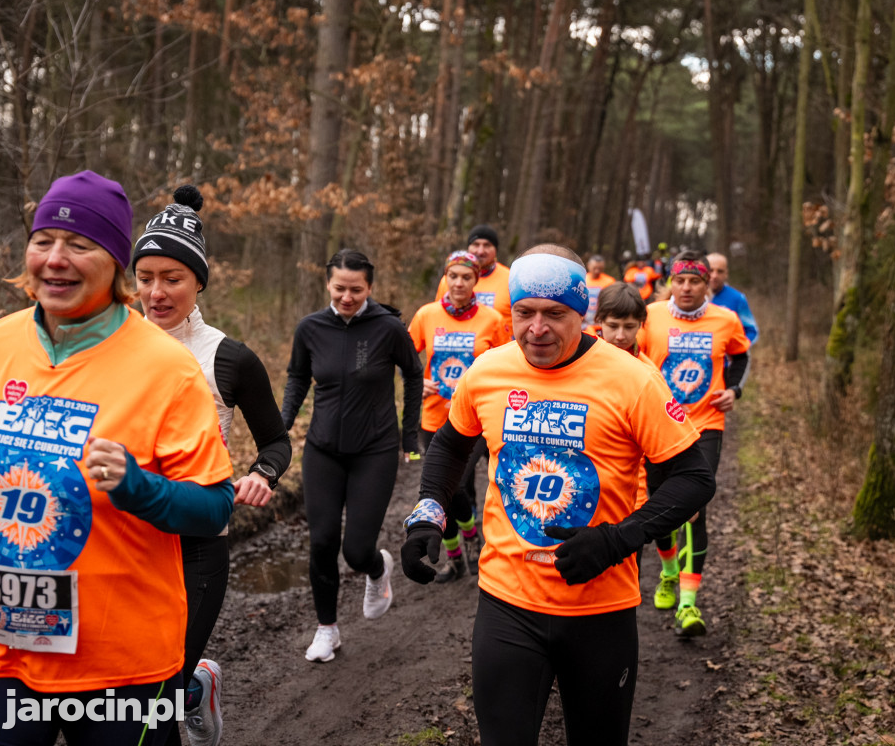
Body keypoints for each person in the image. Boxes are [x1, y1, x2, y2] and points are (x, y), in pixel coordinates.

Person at [0, 170, 234, 745]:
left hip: (123, 667)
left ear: (115, 265)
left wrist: (138, 486)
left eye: (80, 245)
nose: (56, 258)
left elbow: (212, 509)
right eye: (43, 241)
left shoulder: (167, 368)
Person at [401, 244, 715, 746]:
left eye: (555, 315)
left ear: (582, 314)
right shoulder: (486, 371)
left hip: (600, 610)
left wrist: (616, 541)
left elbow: (694, 479)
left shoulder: (634, 379)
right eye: (524, 313)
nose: (537, 329)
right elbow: (449, 445)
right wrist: (428, 512)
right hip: (506, 602)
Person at [132, 185, 292, 746]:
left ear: (198, 281)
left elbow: (276, 441)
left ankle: (184, 685)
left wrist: (260, 475)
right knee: (124, 696)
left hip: (199, 540)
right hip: (124, 545)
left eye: (172, 278)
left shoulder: (229, 357)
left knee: (150, 708)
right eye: (145, 277)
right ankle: (195, 687)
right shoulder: (105, 348)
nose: (156, 292)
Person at [281, 249, 423, 663]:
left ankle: (377, 569)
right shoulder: (310, 328)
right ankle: (327, 630)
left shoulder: (387, 328)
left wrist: (408, 434)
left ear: (370, 288)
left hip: (375, 449)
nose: (347, 296)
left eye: (356, 289)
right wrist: (281, 425)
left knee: (356, 550)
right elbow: (296, 377)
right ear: (328, 284)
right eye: (340, 288)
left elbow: (413, 374)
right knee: (322, 541)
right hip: (322, 449)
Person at [636, 250, 750, 638]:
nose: (686, 288)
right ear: (671, 282)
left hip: (705, 425)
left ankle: (688, 604)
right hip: (658, 426)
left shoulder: (726, 319)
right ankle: (668, 571)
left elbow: (740, 355)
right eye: (680, 280)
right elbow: (627, 358)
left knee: (695, 509)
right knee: (660, 508)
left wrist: (734, 390)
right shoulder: (650, 316)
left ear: (708, 284)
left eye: (695, 281)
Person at [408, 251, 503, 582]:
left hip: (476, 422)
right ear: (445, 278)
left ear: (477, 280)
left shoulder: (492, 320)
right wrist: (416, 381)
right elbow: (406, 359)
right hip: (433, 417)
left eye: (466, 277)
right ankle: (455, 557)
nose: (459, 283)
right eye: (453, 276)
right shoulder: (426, 315)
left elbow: (508, 365)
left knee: (458, 482)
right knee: (443, 491)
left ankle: (472, 537)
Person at [434, 225, 512, 338]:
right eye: (476, 244)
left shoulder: (510, 278)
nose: (480, 251)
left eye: (487, 245)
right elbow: (438, 315)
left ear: (496, 250)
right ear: (468, 248)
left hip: (500, 347)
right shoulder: (449, 280)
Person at [707, 252, 759, 345]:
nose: (714, 276)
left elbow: (752, 331)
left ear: (726, 274)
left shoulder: (737, 298)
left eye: (720, 271)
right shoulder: (690, 297)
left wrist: (738, 350)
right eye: (710, 270)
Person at [582, 254, 616, 329]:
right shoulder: (582, 280)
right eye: (595, 268)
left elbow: (613, 303)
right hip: (584, 323)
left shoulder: (610, 282)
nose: (597, 271)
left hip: (601, 323)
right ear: (588, 265)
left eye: (600, 268)